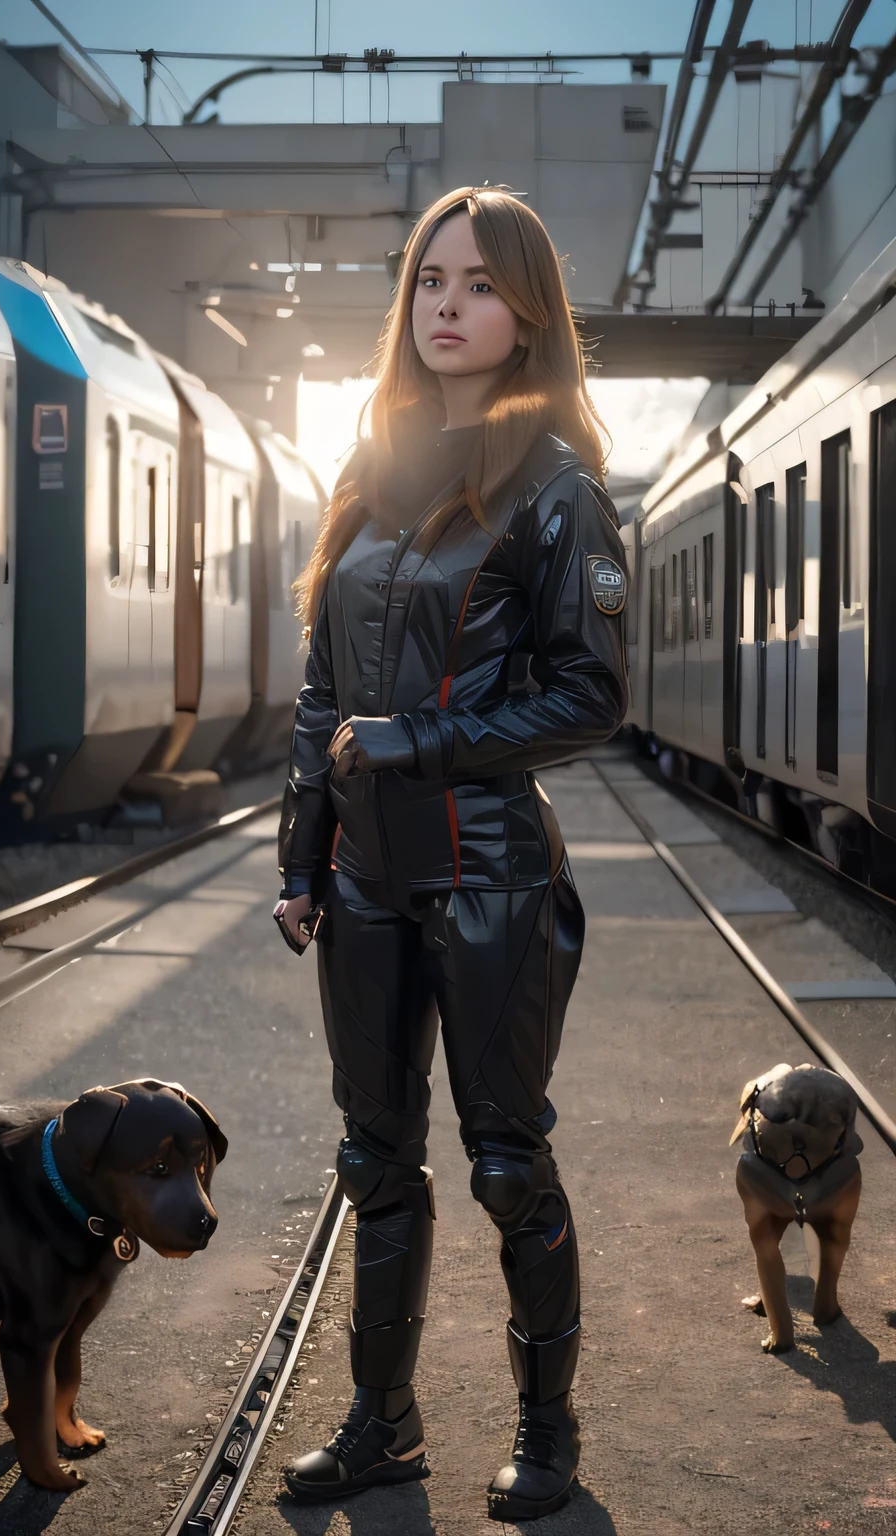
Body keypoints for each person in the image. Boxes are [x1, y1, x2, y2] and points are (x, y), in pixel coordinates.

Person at [273, 185, 629, 1523]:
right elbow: (319, 690)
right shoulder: (367, 470)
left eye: (478, 284)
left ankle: (550, 1435)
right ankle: (385, 1424)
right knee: (375, 1159)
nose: (446, 305)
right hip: (364, 880)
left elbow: (594, 696)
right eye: (430, 279)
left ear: (528, 310)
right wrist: (300, 856)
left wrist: (421, 739)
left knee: (503, 1161)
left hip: (489, 871)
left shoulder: (559, 493)